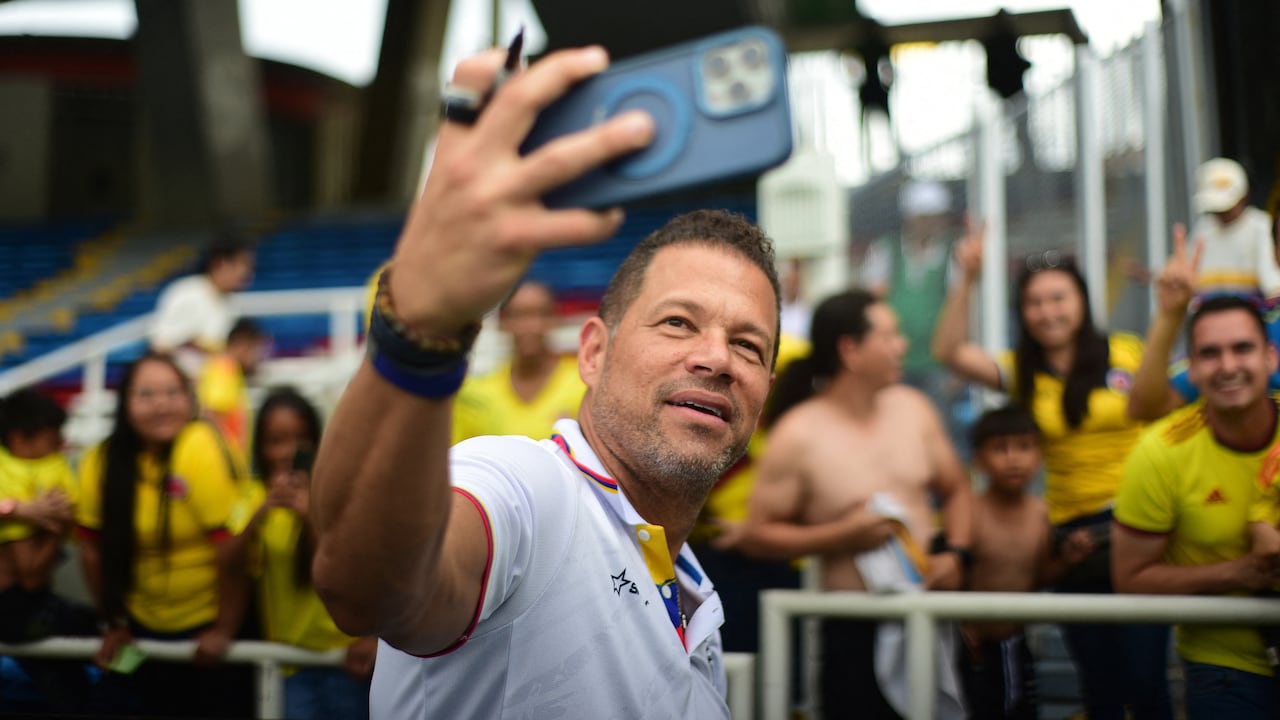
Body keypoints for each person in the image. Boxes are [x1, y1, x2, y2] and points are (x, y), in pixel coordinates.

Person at [310, 43, 775, 718]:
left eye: (748, 345)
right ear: (592, 353)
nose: (717, 358)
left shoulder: (695, 599)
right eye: (678, 323)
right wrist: (417, 336)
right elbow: (369, 589)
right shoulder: (529, 492)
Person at [931, 226, 1173, 720]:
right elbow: (949, 352)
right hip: (1073, 542)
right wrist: (967, 278)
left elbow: (1167, 412)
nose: (1048, 312)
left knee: (1148, 683)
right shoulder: (1021, 370)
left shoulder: (1127, 351)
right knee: (1100, 688)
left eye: (1059, 298)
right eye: (1034, 303)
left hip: (1140, 529)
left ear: (1082, 301)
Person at [719, 289, 972, 720]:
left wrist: (957, 553)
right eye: (889, 336)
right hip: (852, 627)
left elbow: (958, 489)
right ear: (851, 350)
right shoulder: (799, 434)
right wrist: (842, 535)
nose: (902, 346)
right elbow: (758, 535)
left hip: (931, 611)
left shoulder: (914, 409)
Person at [1112, 295, 1280, 719]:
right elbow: (1131, 579)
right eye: (1210, 353)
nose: (1228, 366)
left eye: (1242, 348)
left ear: (1271, 358)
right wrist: (1241, 572)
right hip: (1225, 669)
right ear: (1190, 369)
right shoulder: (1159, 454)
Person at [75, 353, 253, 717]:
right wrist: (113, 622)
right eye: (147, 395)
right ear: (124, 403)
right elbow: (91, 550)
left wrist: (224, 629)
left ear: (189, 398)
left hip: (211, 629)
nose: (162, 405)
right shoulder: (100, 461)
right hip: (139, 628)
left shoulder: (201, 444)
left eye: (173, 392)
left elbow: (232, 551)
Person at [226, 388, 375, 719]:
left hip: (345, 657)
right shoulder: (253, 494)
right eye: (275, 441)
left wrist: (309, 515)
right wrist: (262, 512)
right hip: (290, 662)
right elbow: (228, 564)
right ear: (260, 446)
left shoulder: (337, 494)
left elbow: (344, 570)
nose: (288, 452)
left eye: (300, 440)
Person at [961, 405, 1094, 720]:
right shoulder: (969, 511)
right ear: (978, 460)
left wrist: (1067, 559)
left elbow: (1040, 575)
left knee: (1021, 711)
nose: (1013, 459)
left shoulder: (1039, 513)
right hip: (970, 644)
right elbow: (952, 573)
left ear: (1040, 456)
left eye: (1024, 447)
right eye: (1000, 449)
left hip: (1016, 643)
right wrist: (962, 628)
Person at [0, 388, 97, 713]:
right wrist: (57, 524)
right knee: (108, 641)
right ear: (19, 441)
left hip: (27, 607)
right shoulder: (16, 482)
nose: (60, 447)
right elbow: (30, 577)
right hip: (15, 615)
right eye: (52, 440)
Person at [1129, 226, 1280, 421]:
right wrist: (1169, 316)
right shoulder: (1250, 333)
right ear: (1275, 253)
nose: (1228, 366)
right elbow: (1147, 408)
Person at [863, 179, 967, 454]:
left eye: (934, 217)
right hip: (894, 361)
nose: (929, 224)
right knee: (892, 429)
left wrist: (959, 364)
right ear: (909, 217)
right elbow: (872, 301)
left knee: (938, 433)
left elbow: (961, 307)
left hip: (937, 363)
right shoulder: (886, 250)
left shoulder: (953, 253)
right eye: (923, 217)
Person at [451, 279, 586, 443]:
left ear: (556, 318)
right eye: (518, 315)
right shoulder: (476, 393)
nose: (530, 326)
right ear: (502, 322)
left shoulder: (584, 383)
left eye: (541, 314)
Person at [148, 233, 256, 377]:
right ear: (220, 263)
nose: (247, 273)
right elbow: (161, 345)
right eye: (243, 264)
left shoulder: (233, 305)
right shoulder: (186, 293)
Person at [1183, 157, 1280, 299]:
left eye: (1226, 208)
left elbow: (1272, 283)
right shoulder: (1203, 229)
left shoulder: (1260, 225)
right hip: (1207, 309)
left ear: (1244, 197)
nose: (1221, 213)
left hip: (1251, 309)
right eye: (1216, 209)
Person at [197, 317, 268, 462]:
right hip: (224, 462)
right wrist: (227, 461)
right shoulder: (225, 368)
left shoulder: (226, 368)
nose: (258, 358)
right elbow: (211, 414)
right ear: (243, 344)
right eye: (256, 350)